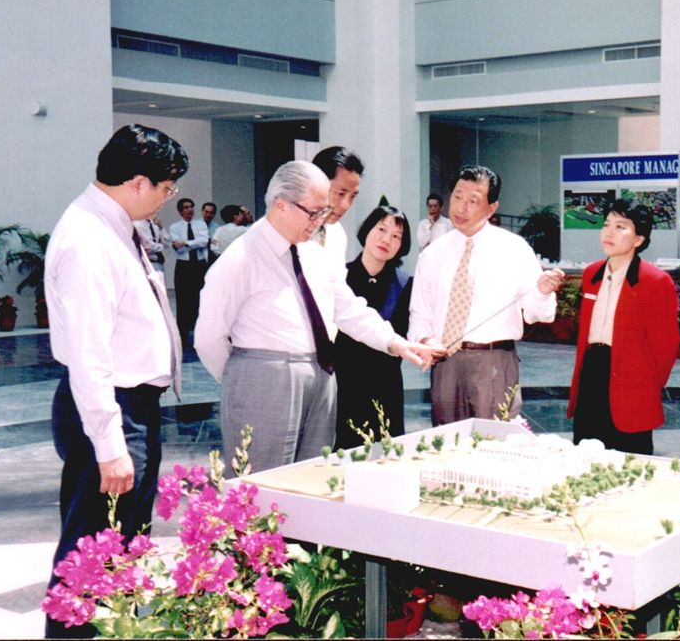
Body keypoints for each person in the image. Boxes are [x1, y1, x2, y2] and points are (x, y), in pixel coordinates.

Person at [194, 161, 435, 472]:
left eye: (324, 212)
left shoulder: (314, 255)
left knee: (310, 477)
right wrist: (247, 378)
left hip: (320, 376)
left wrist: (395, 343)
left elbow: (348, 308)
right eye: (314, 212)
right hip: (265, 380)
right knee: (262, 481)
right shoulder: (240, 260)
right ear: (280, 205)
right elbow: (209, 337)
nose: (321, 220)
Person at [43, 124, 187, 638]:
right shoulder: (88, 240)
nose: (167, 200)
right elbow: (88, 354)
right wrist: (109, 444)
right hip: (111, 408)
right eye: (167, 189)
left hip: (129, 406)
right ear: (138, 182)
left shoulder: (112, 225)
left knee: (119, 547)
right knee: (90, 553)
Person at [409, 164, 565, 424]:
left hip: (495, 363)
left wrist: (543, 292)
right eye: (457, 197)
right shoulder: (433, 254)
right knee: (446, 445)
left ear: (491, 208)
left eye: (473, 200)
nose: (461, 207)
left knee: (495, 445)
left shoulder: (513, 248)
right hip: (446, 364)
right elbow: (420, 312)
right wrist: (424, 340)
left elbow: (539, 313)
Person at [566, 199, 680, 454]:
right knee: (585, 457)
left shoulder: (655, 281)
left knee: (630, 461)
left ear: (638, 239)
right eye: (607, 225)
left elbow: (666, 346)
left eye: (620, 227)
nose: (609, 232)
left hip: (631, 382)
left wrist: (644, 386)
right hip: (591, 372)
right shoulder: (592, 274)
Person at [334, 205, 415, 449]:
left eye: (396, 236)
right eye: (381, 229)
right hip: (343, 383)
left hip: (384, 383)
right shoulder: (340, 275)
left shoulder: (406, 284)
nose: (386, 240)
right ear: (367, 230)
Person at [311, 145, 363, 265]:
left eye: (353, 196)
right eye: (340, 193)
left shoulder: (337, 234)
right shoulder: (291, 229)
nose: (346, 205)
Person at [168, 197, 209, 346]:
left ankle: (200, 335)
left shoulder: (200, 224)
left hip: (199, 265)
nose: (189, 209)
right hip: (184, 266)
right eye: (186, 207)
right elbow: (177, 246)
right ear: (180, 211)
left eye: (191, 206)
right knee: (183, 301)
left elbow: (204, 241)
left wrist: (185, 242)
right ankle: (182, 337)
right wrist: (191, 244)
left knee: (199, 300)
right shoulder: (175, 227)